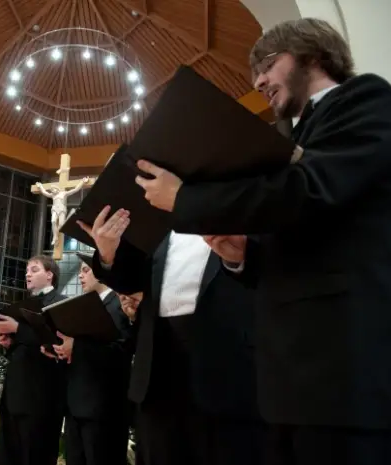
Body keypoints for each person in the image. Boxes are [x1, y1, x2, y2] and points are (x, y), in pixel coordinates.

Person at [131, 18, 391, 465]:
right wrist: (243, 257)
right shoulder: (291, 135)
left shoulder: (366, 98)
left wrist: (186, 198)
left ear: (311, 54)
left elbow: (310, 190)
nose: (258, 81)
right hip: (289, 383)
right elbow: (304, 234)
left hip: (343, 371)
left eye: (267, 65)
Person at [78, 207, 263, 465]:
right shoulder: (160, 226)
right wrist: (108, 251)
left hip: (229, 376)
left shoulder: (247, 201)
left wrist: (238, 258)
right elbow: (135, 281)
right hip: (158, 376)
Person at [0, 255, 68, 465]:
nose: (27, 274)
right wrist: (8, 344)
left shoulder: (61, 303)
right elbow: (23, 349)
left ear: (50, 275)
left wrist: (17, 329)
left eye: (34, 269)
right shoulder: (21, 306)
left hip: (41, 399)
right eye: (27, 270)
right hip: (13, 397)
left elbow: (55, 343)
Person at [59, 254, 133, 465]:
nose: (80, 276)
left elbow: (122, 351)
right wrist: (61, 349)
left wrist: (77, 346)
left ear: (101, 274)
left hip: (105, 408)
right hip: (76, 405)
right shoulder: (84, 308)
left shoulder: (120, 303)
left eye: (85, 270)